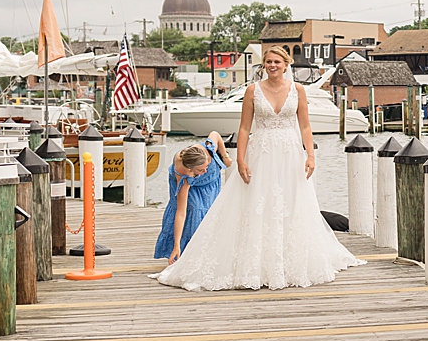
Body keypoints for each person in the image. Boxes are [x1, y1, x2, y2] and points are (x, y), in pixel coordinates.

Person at [155, 45, 362, 290]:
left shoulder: (298, 91)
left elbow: (305, 126)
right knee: (257, 203)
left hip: (289, 154)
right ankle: (255, 262)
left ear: (286, 64)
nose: (272, 66)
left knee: (290, 203)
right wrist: (240, 160)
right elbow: (244, 128)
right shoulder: (253, 91)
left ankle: (289, 260)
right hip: (260, 153)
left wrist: (310, 156)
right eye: (268, 62)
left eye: (277, 61)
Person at [153, 132, 230, 263]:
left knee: (208, 212)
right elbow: (180, 212)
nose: (204, 171)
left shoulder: (205, 148)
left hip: (210, 183)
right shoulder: (184, 175)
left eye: (206, 166)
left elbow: (215, 134)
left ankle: (208, 252)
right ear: (191, 169)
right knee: (195, 210)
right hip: (192, 184)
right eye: (201, 170)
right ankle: (187, 252)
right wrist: (176, 244)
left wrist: (225, 156)